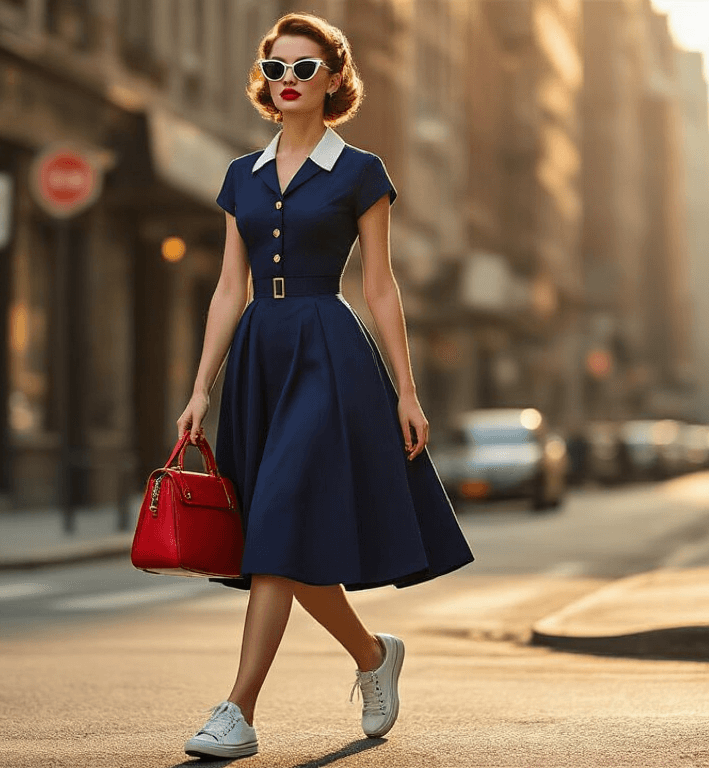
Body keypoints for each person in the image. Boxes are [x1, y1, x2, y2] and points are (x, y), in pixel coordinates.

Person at [173, 12, 474, 760]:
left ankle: (237, 710)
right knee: (287, 538)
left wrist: (407, 390)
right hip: (258, 360)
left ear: (334, 79)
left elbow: (379, 285)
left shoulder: (361, 171)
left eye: (305, 69)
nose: (289, 81)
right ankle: (374, 656)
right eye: (277, 69)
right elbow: (226, 289)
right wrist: (200, 389)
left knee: (275, 525)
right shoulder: (239, 175)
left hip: (326, 354)